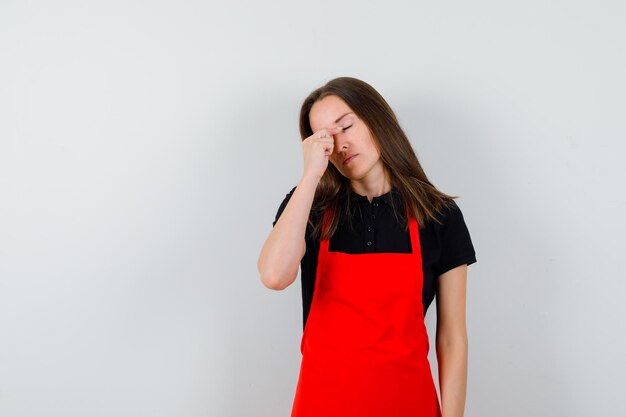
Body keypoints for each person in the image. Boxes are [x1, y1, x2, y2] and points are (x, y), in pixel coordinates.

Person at [257, 76, 477, 417]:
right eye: (325, 139)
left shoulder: (440, 217)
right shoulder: (310, 208)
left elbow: (451, 338)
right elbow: (274, 275)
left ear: (376, 118)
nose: (339, 144)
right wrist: (310, 176)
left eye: (346, 126)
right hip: (324, 406)